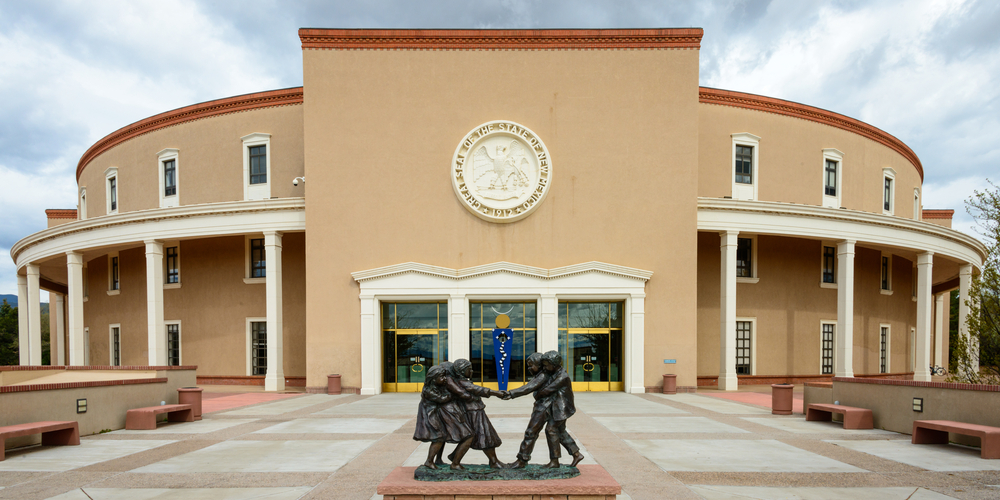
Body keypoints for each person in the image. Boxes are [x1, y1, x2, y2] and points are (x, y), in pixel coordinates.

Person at [443, 358, 507, 468]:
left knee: (486, 435)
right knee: (484, 435)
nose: (472, 371)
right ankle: (457, 461)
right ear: (462, 371)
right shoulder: (462, 382)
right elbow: (477, 389)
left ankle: (493, 461)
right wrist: (495, 393)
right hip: (472, 413)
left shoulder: (462, 382)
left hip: (476, 410)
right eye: (470, 369)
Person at [413, 364, 474, 469]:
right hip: (431, 416)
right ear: (433, 379)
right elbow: (442, 399)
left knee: (441, 437)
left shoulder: (436, 386)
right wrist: (454, 394)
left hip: (435, 414)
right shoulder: (429, 391)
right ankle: (430, 461)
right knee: (439, 437)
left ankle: (438, 459)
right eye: (441, 377)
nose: (445, 379)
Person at [502, 352, 552, 468]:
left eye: (531, 365)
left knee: (531, 432)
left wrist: (511, 393)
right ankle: (576, 453)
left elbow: (528, 388)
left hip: (544, 407)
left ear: (539, 365)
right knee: (560, 433)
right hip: (543, 405)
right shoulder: (541, 375)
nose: (529, 368)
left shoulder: (543, 376)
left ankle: (522, 460)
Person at [535, 350, 584, 468]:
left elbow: (547, 390)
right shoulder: (555, 373)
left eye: (547, 365)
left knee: (551, 430)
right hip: (557, 408)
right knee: (561, 432)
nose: (545, 367)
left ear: (554, 364)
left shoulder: (562, 376)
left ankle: (554, 461)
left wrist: (537, 393)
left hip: (562, 409)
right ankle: (576, 454)